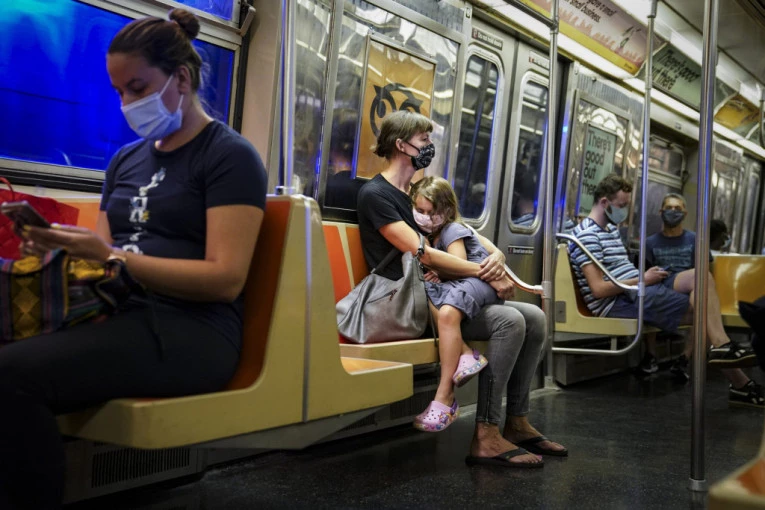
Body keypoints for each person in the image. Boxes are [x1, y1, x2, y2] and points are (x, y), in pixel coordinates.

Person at [0, 10, 268, 508]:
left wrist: (113, 257)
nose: (127, 103)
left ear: (181, 78)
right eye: (120, 91)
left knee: (11, 377)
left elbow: (225, 279)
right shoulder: (125, 160)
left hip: (193, 329)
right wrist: (61, 249)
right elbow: (103, 266)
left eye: (138, 88)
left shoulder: (229, 156)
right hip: (119, 310)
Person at [358, 110, 567, 468]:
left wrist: (497, 256)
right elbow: (422, 253)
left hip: (440, 289)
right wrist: (488, 274)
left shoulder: (414, 192)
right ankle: (486, 433)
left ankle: (516, 421)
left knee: (535, 317)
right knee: (510, 321)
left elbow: (464, 232)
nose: (429, 146)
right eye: (424, 140)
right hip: (409, 298)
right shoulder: (376, 195)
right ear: (402, 145)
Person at [569, 174, 757, 371]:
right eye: (621, 205)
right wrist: (643, 279)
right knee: (704, 310)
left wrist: (644, 279)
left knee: (701, 277)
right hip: (620, 300)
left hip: (635, 288)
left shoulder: (610, 230)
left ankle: (723, 349)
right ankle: (728, 359)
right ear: (604, 202)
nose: (624, 211)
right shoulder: (587, 236)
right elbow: (598, 289)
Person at [641, 194, 762, 406]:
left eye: (677, 208)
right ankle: (735, 373)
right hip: (664, 288)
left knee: (702, 299)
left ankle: (691, 358)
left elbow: (706, 270)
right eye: (669, 207)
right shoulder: (649, 243)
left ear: (685, 213)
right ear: (661, 211)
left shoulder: (695, 240)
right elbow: (646, 277)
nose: (673, 212)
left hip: (690, 289)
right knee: (703, 297)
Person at [408, 176, 498, 432]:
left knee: (447, 313)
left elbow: (460, 265)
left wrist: (439, 271)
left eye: (432, 212)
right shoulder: (430, 235)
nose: (425, 217)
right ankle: (466, 353)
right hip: (465, 282)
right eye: (420, 210)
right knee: (425, 291)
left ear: (447, 211)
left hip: (479, 281)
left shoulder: (451, 230)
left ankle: (445, 395)